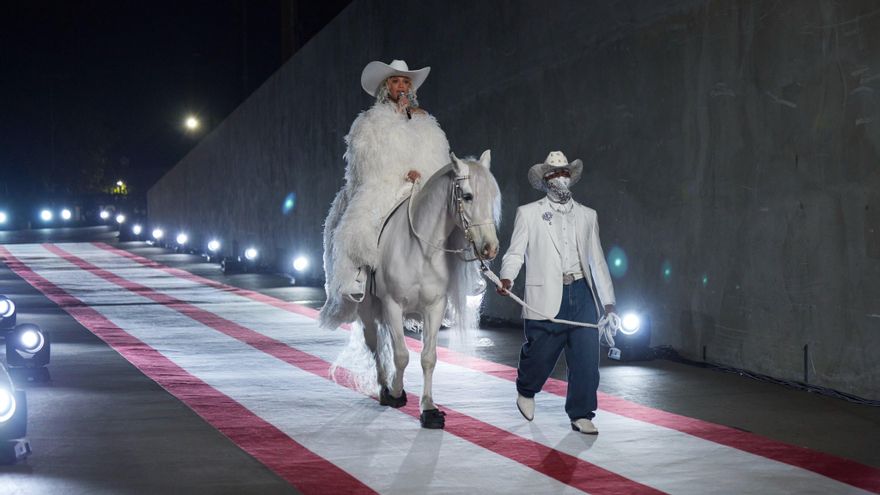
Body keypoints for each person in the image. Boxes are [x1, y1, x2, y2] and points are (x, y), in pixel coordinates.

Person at [320, 60, 451, 329]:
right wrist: (402, 172)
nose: (401, 86)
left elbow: (437, 158)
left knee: (452, 214)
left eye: (405, 81)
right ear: (386, 86)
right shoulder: (370, 121)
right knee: (361, 222)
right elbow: (366, 158)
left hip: (420, 185)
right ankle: (356, 276)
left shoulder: (424, 120)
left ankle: (453, 285)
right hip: (385, 181)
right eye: (395, 81)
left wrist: (422, 174)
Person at [497, 151, 617, 434]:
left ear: (570, 178)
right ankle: (526, 389)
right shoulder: (529, 213)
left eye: (564, 173)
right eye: (554, 174)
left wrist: (609, 303)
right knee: (540, 353)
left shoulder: (588, 216)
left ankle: (581, 412)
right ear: (546, 179)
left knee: (586, 358)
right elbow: (515, 253)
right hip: (546, 294)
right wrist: (507, 277)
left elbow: (597, 260)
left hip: (581, 293)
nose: (560, 178)